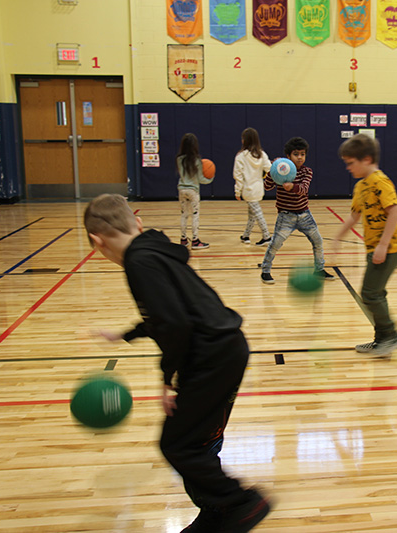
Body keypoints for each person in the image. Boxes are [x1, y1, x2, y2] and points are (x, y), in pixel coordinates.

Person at [83, 194, 270, 532]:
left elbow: (175, 325)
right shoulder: (154, 249)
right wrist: (127, 334)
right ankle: (216, 509)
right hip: (227, 349)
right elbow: (168, 314)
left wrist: (168, 380)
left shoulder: (138, 262)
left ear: (97, 241)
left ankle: (241, 504)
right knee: (198, 441)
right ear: (136, 223)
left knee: (177, 445)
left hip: (212, 357)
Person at [334, 134, 397, 357]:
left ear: (366, 159)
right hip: (374, 248)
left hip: (391, 247)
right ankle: (381, 339)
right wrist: (337, 238)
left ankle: (391, 335)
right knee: (375, 293)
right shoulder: (361, 186)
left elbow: (394, 211)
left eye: (350, 163)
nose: (348, 167)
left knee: (370, 294)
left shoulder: (380, 182)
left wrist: (383, 246)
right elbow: (354, 216)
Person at [260, 137, 335, 284]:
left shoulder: (307, 171)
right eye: (296, 154)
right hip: (286, 216)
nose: (300, 157)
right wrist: (272, 170)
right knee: (275, 243)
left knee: (318, 241)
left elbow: (303, 189)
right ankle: (265, 270)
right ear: (288, 156)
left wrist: (292, 187)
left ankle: (319, 269)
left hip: (304, 215)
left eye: (302, 154)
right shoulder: (280, 170)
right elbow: (267, 186)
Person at [234, 127, 272, 246]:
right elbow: (269, 169)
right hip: (258, 189)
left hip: (248, 190)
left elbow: (238, 176)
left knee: (257, 213)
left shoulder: (241, 157)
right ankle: (246, 236)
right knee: (252, 214)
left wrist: (237, 192)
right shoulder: (262, 154)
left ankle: (266, 236)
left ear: (244, 140)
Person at [176, 133, 212, 250]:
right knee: (195, 215)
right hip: (193, 191)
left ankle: (183, 239)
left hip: (181, 189)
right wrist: (210, 178)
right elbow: (201, 179)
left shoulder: (179, 159)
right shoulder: (197, 160)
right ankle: (195, 241)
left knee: (184, 215)